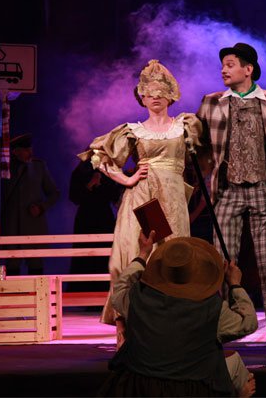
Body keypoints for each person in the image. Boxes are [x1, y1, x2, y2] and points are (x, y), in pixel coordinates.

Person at [78, 60, 202, 348]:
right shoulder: (132, 131)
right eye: (149, 92)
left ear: (171, 95)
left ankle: (172, 330)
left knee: (172, 258)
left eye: (161, 91)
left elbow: (206, 155)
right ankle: (125, 328)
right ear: (142, 97)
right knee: (132, 256)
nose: (155, 96)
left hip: (172, 200)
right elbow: (100, 157)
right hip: (142, 199)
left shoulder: (185, 126)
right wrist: (126, 179)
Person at [196, 42, 266, 360]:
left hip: (263, 190)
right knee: (220, 263)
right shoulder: (212, 102)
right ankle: (217, 332)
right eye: (222, 65)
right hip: (227, 191)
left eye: (230, 64)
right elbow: (199, 146)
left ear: (248, 69)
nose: (223, 70)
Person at [98, 231, 258, 397]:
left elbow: (120, 288)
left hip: (141, 387)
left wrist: (143, 254)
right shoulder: (211, 308)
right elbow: (248, 322)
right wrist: (235, 284)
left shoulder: (138, 299)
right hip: (190, 389)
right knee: (236, 365)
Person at [0, 133, 60, 275]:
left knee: (36, 268)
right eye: (26, 150)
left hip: (34, 227)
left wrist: (41, 207)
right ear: (15, 152)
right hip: (11, 227)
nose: (30, 153)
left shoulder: (39, 166)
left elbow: (54, 193)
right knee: (12, 267)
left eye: (30, 149)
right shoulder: (3, 169)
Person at [68, 157, 122, 292]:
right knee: (84, 255)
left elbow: (114, 196)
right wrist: (90, 184)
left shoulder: (108, 172)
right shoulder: (79, 172)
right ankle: (83, 291)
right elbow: (74, 197)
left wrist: (122, 179)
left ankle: (105, 289)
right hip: (85, 219)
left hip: (104, 218)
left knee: (105, 255)